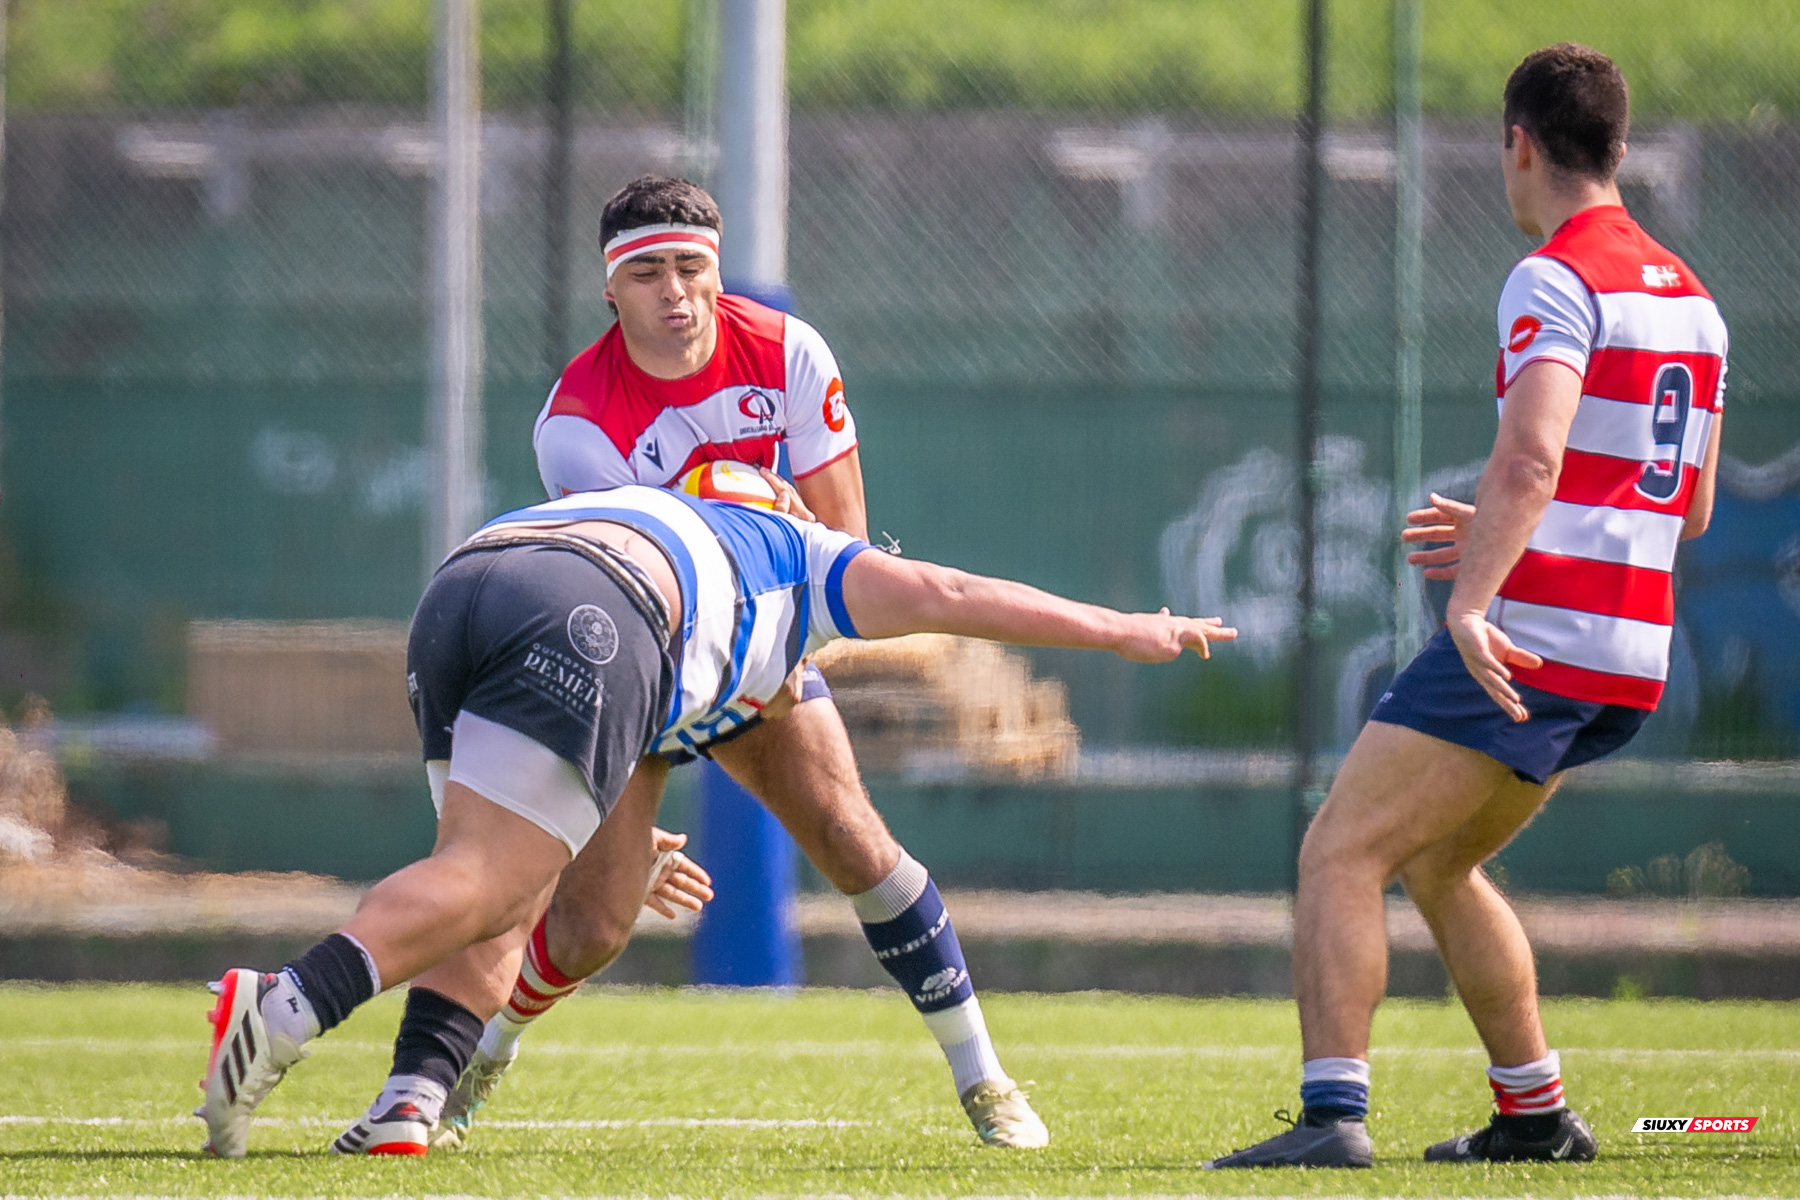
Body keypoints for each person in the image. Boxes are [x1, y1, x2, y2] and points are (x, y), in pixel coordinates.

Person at [197, 482, 1238, 1159]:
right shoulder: (798, 556)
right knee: (487, 884)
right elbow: (949, 589)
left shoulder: (649, 514)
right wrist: (1121, 630)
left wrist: (600, 837)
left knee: (483, 888)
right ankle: (286, 1006)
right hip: (597, 609)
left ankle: (406, 1106)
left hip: (468, 583)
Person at [338, 175, 1055, 1154]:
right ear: (610, 290)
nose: (674, 292)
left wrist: (775, 578)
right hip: (643, 664)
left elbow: (844, 543)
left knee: (857, 842)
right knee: (592, 924)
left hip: (758, 643)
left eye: (691, 268)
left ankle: (986, 1082)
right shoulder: (577, 420)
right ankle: (479, 1060)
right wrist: (611, 797)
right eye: (647, 273)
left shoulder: (789, 353)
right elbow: (628, 597)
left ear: (717, 275)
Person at [1208, 44, 1727, 1170]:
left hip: (1530, 643)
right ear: (1622, 149)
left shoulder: (1556, 276)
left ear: (1518, 142)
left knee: (1339, 853)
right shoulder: (1695, 302)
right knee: (1440, 863)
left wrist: (1473, 598)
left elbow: (1533, 455)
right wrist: (1511, 533)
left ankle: (1332, 1116)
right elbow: (1684, 509)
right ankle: (1534, 1113)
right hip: (1628, 653)